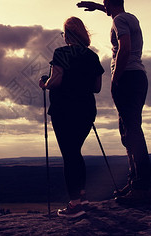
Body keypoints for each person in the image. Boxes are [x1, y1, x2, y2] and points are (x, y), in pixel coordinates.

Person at [77, 0, 151, 205]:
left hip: (127, 77)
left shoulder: (119, 22)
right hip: (138, 77)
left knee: (132, 132)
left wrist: (115, 78)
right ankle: (135, 182)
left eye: (105, 3)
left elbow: (125, 48)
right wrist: (98, 6)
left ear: (110, 2)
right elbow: (114, 12)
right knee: (129, 131)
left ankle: (142, 187)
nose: (105, 8)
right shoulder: (130, 17)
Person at [39, 16, 104, 218]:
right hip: (86, 110)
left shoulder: (61, 53)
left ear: (67, 35)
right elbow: (97, 87)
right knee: (75, 152)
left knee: (70, 155)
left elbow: (56, 81)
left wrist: (45, 83)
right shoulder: (93, 57)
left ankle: (75, 205)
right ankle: (83, 197)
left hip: (64, 110)